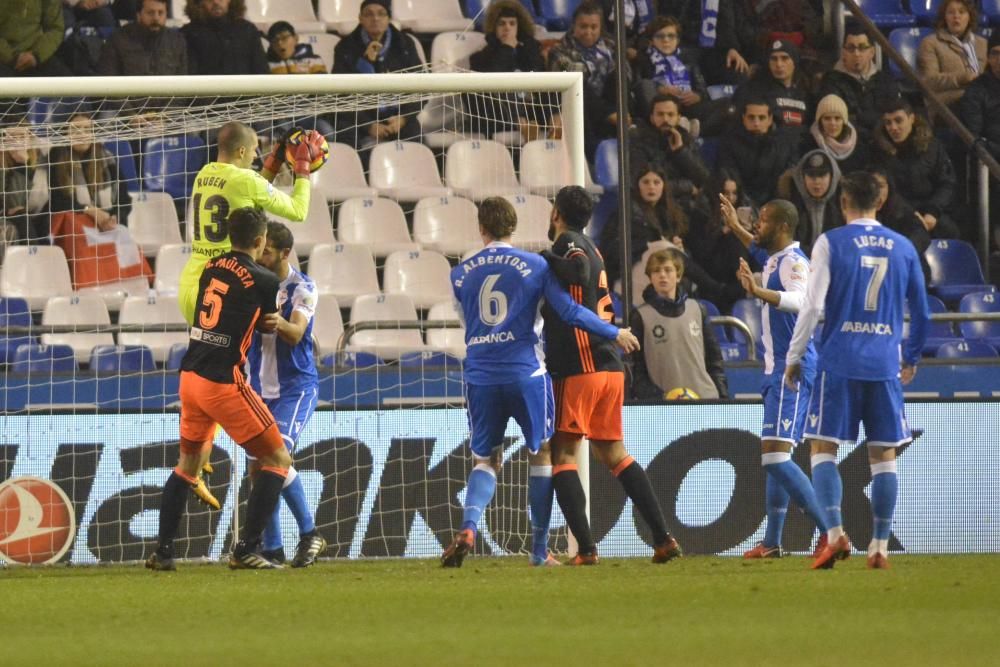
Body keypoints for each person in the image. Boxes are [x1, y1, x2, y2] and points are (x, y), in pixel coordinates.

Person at [439, 197, 640, 568]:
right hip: (526, 372)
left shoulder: (460, 273)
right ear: (513, 227)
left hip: (481, 375)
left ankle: (469, 526)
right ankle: (538, 549)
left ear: (481, 228)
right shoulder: (535, 265)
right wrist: (613, 331)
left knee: (486, 459)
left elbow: (466, 322)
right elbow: (569, 311)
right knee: (542, 453)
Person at [785, 172, 929, 570]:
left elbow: (812, 307)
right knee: (883, 456)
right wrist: (911, 357)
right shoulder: (903, 247)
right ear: (880, 200)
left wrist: (794, 356)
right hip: (884, 363)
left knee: (822, 447)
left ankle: (835, 535)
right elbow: (922, 310)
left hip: (839, 362)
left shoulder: (831, 241)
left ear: (843, 200)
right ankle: (880, 544)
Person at [542, 185, 682, 565]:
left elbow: (576, 270)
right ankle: (663, 538)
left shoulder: (568, 243)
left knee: (563, 454)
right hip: (608, 369)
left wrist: (545, 259)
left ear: (557, 213)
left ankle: (585, 549)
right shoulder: (594, 246)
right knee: (615, 454)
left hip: (581, 365)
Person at [146, 207, 292, 571]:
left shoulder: (212, 267)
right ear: (260, 242)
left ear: (230, 237)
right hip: (222, 381)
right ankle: (247, 549)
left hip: (190, 378)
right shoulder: (265, 280)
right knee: (277, 460)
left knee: (188, 466)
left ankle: (162, 553)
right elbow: (266, 325)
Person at [720, 196, 830, 559]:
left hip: (791, 368)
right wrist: (735, 225)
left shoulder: (795, 263)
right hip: (776, 367)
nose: (757, 226)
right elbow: (758, 252)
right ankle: (772, 542)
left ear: (783, 227)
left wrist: (757, 292)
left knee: (775, 458)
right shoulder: (775, 259)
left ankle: (831, 532)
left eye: (763, 221)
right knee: (776, 455)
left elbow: (801, 300)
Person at [178, 120, 323, 326]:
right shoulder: (246, 181)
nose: (256, 156)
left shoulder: (204, 173)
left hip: (191, 284)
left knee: (200, 355)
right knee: (231, 357)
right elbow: (299, 211)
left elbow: (251, 194)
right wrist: (302, 166)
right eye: (254, 150)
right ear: (242, 151)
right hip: (223, 289)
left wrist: (276, 159)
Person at [246, 221, 326, 568]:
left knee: (274, 458)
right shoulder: (251, 283)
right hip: (258, 389)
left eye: (266, 250)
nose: (260, 254)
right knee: (257, 468)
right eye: (259, 248)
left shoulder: (302, 287)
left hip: (295, 388)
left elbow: (295, 333)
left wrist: (277, 322)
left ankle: (310, 533)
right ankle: (274, 547)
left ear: (283, 253)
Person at [629, 248, 728, 400]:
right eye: (656, 271)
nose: (662, 275)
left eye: (668, 270)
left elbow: (714, 360)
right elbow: (637, 370)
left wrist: (722, 395)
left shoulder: (698, 309)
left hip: (705, 399)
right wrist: (658, 397)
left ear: (678, 276)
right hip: (665, 405)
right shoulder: (640, 316)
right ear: (650, 278)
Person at [331, 0, 423, 151]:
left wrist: (403, 118)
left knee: (414, 133)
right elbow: (340, 96)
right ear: (360, 18)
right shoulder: (345, 47)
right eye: (369, 14)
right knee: (345, 132)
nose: (375, 19)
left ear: (389, 18)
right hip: (360, 117)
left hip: (397, 116)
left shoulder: (405, 44)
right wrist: (368, 125)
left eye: (381, 14)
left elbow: (421, 88)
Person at [874, 98, 961, 241]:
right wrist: (912, 213)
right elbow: (882, 189)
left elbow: (947, 183)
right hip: (895, 214)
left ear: (912, 119)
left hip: (930, 211)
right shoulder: (877, 151)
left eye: (898, 120)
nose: (893, 127)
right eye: (888, 122)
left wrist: (933, 211)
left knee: (951, 232)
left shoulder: (932, 147)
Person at [547, 1, 626, 159]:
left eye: (593, 27)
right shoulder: (559, 51)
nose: (588, 32)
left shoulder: (611, 46)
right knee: (578, 84)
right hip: (578, 110)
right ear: (573, 26)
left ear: (600, 27)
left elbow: (626, 77)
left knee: (617, 77)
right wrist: (608, 112)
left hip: (608, 102)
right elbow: (561, 88)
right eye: (583, 26)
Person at [467, 0, 548, 142]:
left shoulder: (530, 50)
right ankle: (522, 124)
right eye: (502, 23)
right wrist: (507, 48)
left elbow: (539, 75)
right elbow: (493, 78)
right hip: (500, 115)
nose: (507, 28)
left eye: (512, 23)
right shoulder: (480, 57)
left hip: (531, 106)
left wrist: (523, 50)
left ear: (519, 27)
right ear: (494, 27)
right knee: (504, 83)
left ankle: (555, 121)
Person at [96, 0, 188, 117]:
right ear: (139, 14)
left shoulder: (177, 41)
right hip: (124, 114)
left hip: (167, 116)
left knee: (193, 130)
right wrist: (131, 115)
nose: (156, 18)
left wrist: (165, 117)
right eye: (150, 13)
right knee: (106, 119)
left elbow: (181, 87)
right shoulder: (118, 39)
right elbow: (109, 83)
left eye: (161, 13)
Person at [48, 112, 131, 231]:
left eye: (87, 129)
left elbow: (124, 199)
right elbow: (58, 201)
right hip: (75, 226)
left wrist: (114, 218)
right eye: (75, 129)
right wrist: (91, 211)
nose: (81, 133)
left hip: (108, 224)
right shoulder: (57, 157)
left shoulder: (107, 158)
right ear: (66, 135)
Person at [818, 21, 902, 136]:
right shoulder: (830, 81)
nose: (856, 54)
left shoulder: (886, 80)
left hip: (883, 140)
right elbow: (838, 120)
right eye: (851, 48)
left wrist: (859, 117)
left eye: (862, 48)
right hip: (846, 141)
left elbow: (893, 115)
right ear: (843, 53)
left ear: (872, 52)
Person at [717, 96, 799, 207]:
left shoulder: (784, 144)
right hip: (741, 204)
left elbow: (787, 179)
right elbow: (730, 176)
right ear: (743, 118)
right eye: (751, 117)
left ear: (770, 119)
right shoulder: (729, 143)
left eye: (761, 118)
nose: (756, 123)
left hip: (776, 205)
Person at [265, 21, 335, 141]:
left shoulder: (313, 60)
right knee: (285, 139)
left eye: (284, 38)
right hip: (283, 114)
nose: (280, 43)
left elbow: (323, 87)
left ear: (295, 38)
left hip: (311, 113)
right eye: (275, 40)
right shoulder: (267, 64)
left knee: (327, 132)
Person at [627, 94, 710, 191]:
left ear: (678, 118)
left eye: (670, 114)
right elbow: (644, 184)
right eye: (660, 114)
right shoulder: (639, 139)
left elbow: (704, 179)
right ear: (652, 118)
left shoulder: (684, 137)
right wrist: (687, 187)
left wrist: (680, 151)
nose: (665, 119)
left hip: (686, 201)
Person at [917, 0, 987, 109]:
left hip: (982, 101)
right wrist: (961, 78)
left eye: (962, 12)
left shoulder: (982, 43)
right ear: (944, 17)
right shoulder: (930, 43)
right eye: (951, 12)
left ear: (970, 17)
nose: (956, 16)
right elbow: (929, 81)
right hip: (949, 104)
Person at [777, 149, 845, 256]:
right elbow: (784, 245)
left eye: (822, 175)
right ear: (802, 177)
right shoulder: (787, 207)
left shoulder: (843, 206)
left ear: (832, 177)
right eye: (811, 175)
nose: (817, 182)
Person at [734, 39, 810, 132]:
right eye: (774, 59)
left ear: (794, 61)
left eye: (784, 58)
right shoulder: (752, 90)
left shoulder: (805, 93)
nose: (779, 64)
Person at [181, 0, 268, 75]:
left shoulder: (247, 30)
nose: (215, 1)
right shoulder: (188, 34)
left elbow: (261, 71)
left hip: (245, 92)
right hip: (204, 93)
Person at [0, 124, 49, 247]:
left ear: (30, 138)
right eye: (12, 136)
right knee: (21, 217)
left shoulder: (42, 162)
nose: (17, 141)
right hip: (8, 215)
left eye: (22, 136)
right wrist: (22, 166)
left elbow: (42, 201)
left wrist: (26, 165)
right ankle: (33, 260)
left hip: (36, 216)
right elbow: (14, 203)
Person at [0, 0, 72, 78]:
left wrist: (36, 55)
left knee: (76, 87)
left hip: (38, 56)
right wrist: (11, 57)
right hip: (5, 59)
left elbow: (55, 28)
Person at [803, 94, 870, 175]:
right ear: (820, 121)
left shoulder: (859, 146)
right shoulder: (808, 145)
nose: (832, 123)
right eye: (827, 118)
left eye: (837, 118)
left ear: (844, 121)